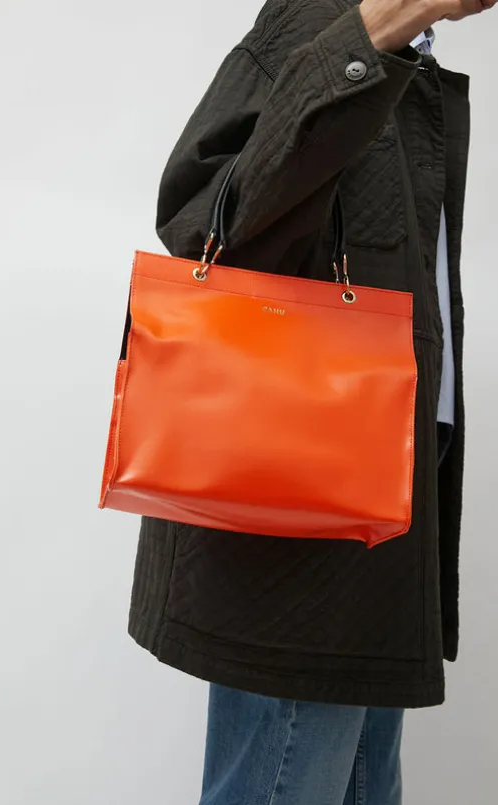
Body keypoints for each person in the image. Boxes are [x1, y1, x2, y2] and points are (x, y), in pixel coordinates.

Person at [127, 0, 495, 802]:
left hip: (389, 459)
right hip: (305, 468)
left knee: (360, 777)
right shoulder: (317, 18)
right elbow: (206, 218)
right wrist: (376, 31)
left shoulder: (412, 52)